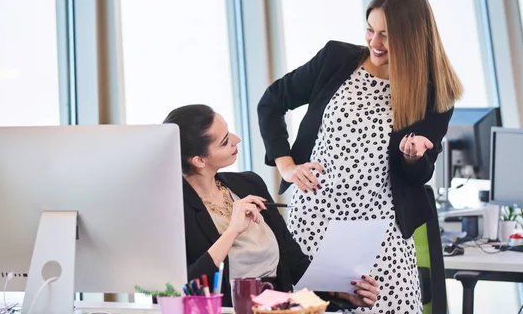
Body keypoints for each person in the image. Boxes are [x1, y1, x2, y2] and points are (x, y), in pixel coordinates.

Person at [257, 0, 463, 313]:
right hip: (313, 227)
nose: (374, 42)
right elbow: (271, 102)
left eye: (387, 35)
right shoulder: (336, 59)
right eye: (370, 30)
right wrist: (287, 166)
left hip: (380, 239)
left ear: (411, 39)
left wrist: (414, 158)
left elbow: (420, 174)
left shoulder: (433, 95)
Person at [163, 104, 380, 309]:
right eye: (225, 141)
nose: (237, 140)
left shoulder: (249, 184)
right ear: (199, 160)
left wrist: (338, 293)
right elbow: (179, 291)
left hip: (280, 307)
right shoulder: (172, 211)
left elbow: (294, 263)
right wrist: (231, 232)